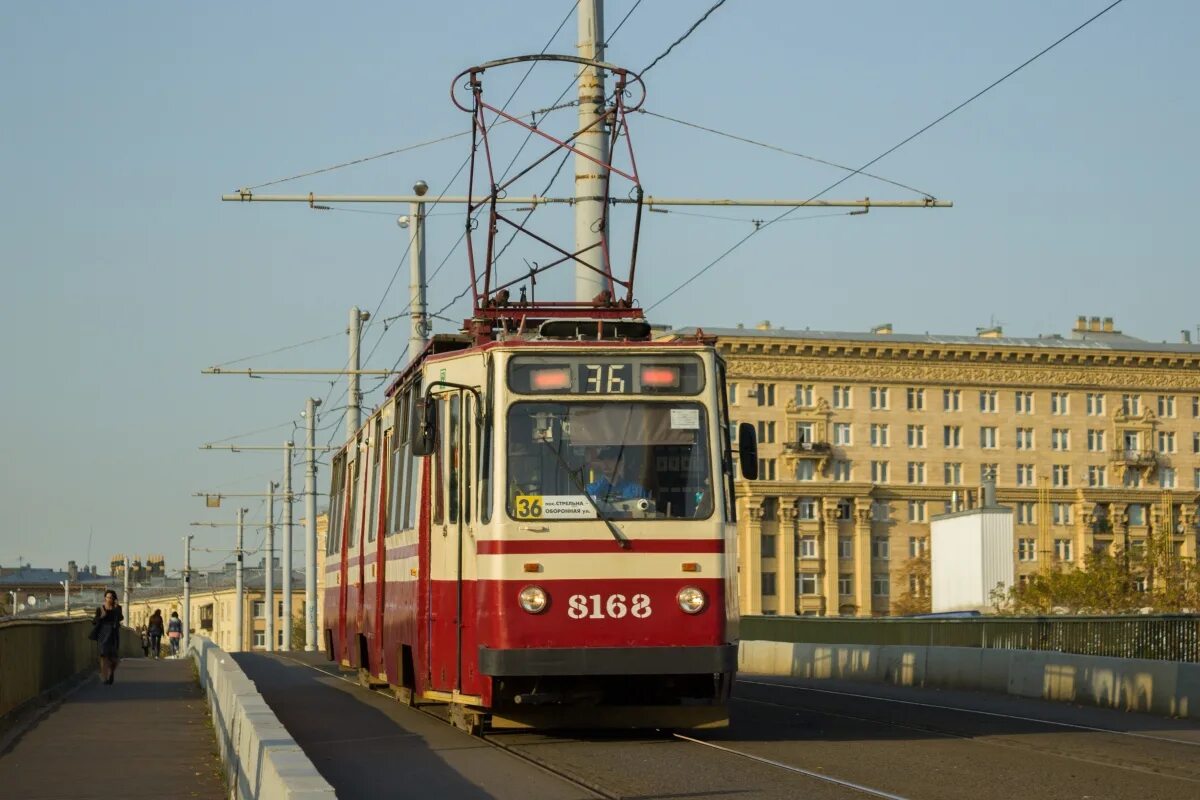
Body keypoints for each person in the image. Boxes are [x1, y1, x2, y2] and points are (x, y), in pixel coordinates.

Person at [584, 447, 650, 503]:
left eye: (610, 459)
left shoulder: (637, 490)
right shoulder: (590, 490)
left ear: (621, 462)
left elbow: (647, 515)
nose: (605, 463)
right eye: (602, 459)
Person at [91, 590, 123, 685]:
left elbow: (121, 618)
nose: (110, 599)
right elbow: (94, 621)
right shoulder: (100, 609)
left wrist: (117, 609)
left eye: (112, 597)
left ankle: (111, 672)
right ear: (105, 598)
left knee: (114, 658)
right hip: (103, 634)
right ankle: (104, 677)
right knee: (103, 656)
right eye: (108, 597)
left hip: (113, 634)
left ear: (114, 599)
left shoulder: (117, 608)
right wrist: (101, 616)